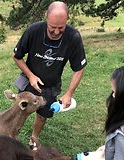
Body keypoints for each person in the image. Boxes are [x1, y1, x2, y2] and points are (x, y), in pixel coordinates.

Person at [12, 1, 87, 146]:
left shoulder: (73, 37)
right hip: (28, 82)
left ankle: (34, 139)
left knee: (42, 115)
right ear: (46, 18)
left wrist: (69, 94)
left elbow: (79, 68)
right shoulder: (33, 31)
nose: (57, 32)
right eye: (53, 28)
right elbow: (16, 56)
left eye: (61, 28)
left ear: (67, 21)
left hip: (50, 86)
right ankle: (12, 137)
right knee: (20, 110)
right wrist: (30, 76)